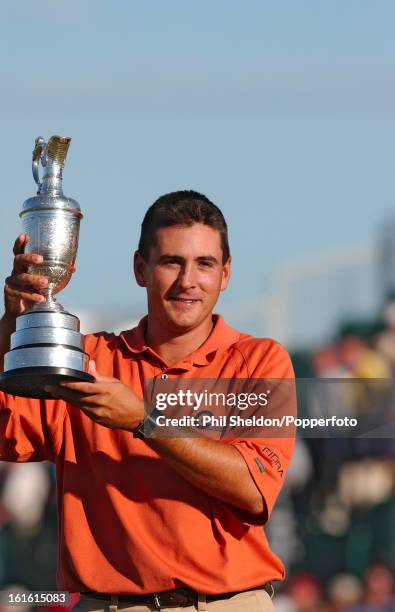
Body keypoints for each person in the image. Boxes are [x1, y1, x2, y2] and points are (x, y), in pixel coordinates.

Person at [0, 190, 295, 612]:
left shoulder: (260, 360)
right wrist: (14, 324)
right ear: (141, 269)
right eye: (172, 261)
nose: (187, 280)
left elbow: (251, 488)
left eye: (204, 264)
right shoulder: (85, 359)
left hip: (229, 603)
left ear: (225, 274)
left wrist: (143, 421)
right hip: (108, 604)